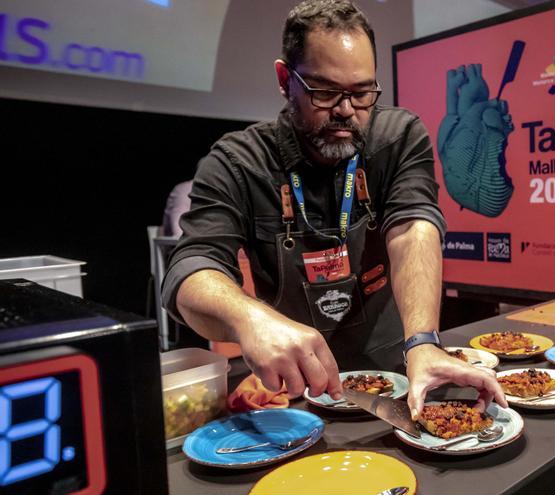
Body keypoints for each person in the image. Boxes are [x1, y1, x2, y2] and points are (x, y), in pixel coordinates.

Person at [161, 0, 506, 419]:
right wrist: (250, 319)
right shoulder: (239, 160)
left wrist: (423, 342)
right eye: (325, 92)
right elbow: (190, 271)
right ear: (285, 79)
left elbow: (414, 227)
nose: (346, 109)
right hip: (296, 393)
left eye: (362, 93)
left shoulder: (397, 137)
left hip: (400, 379)